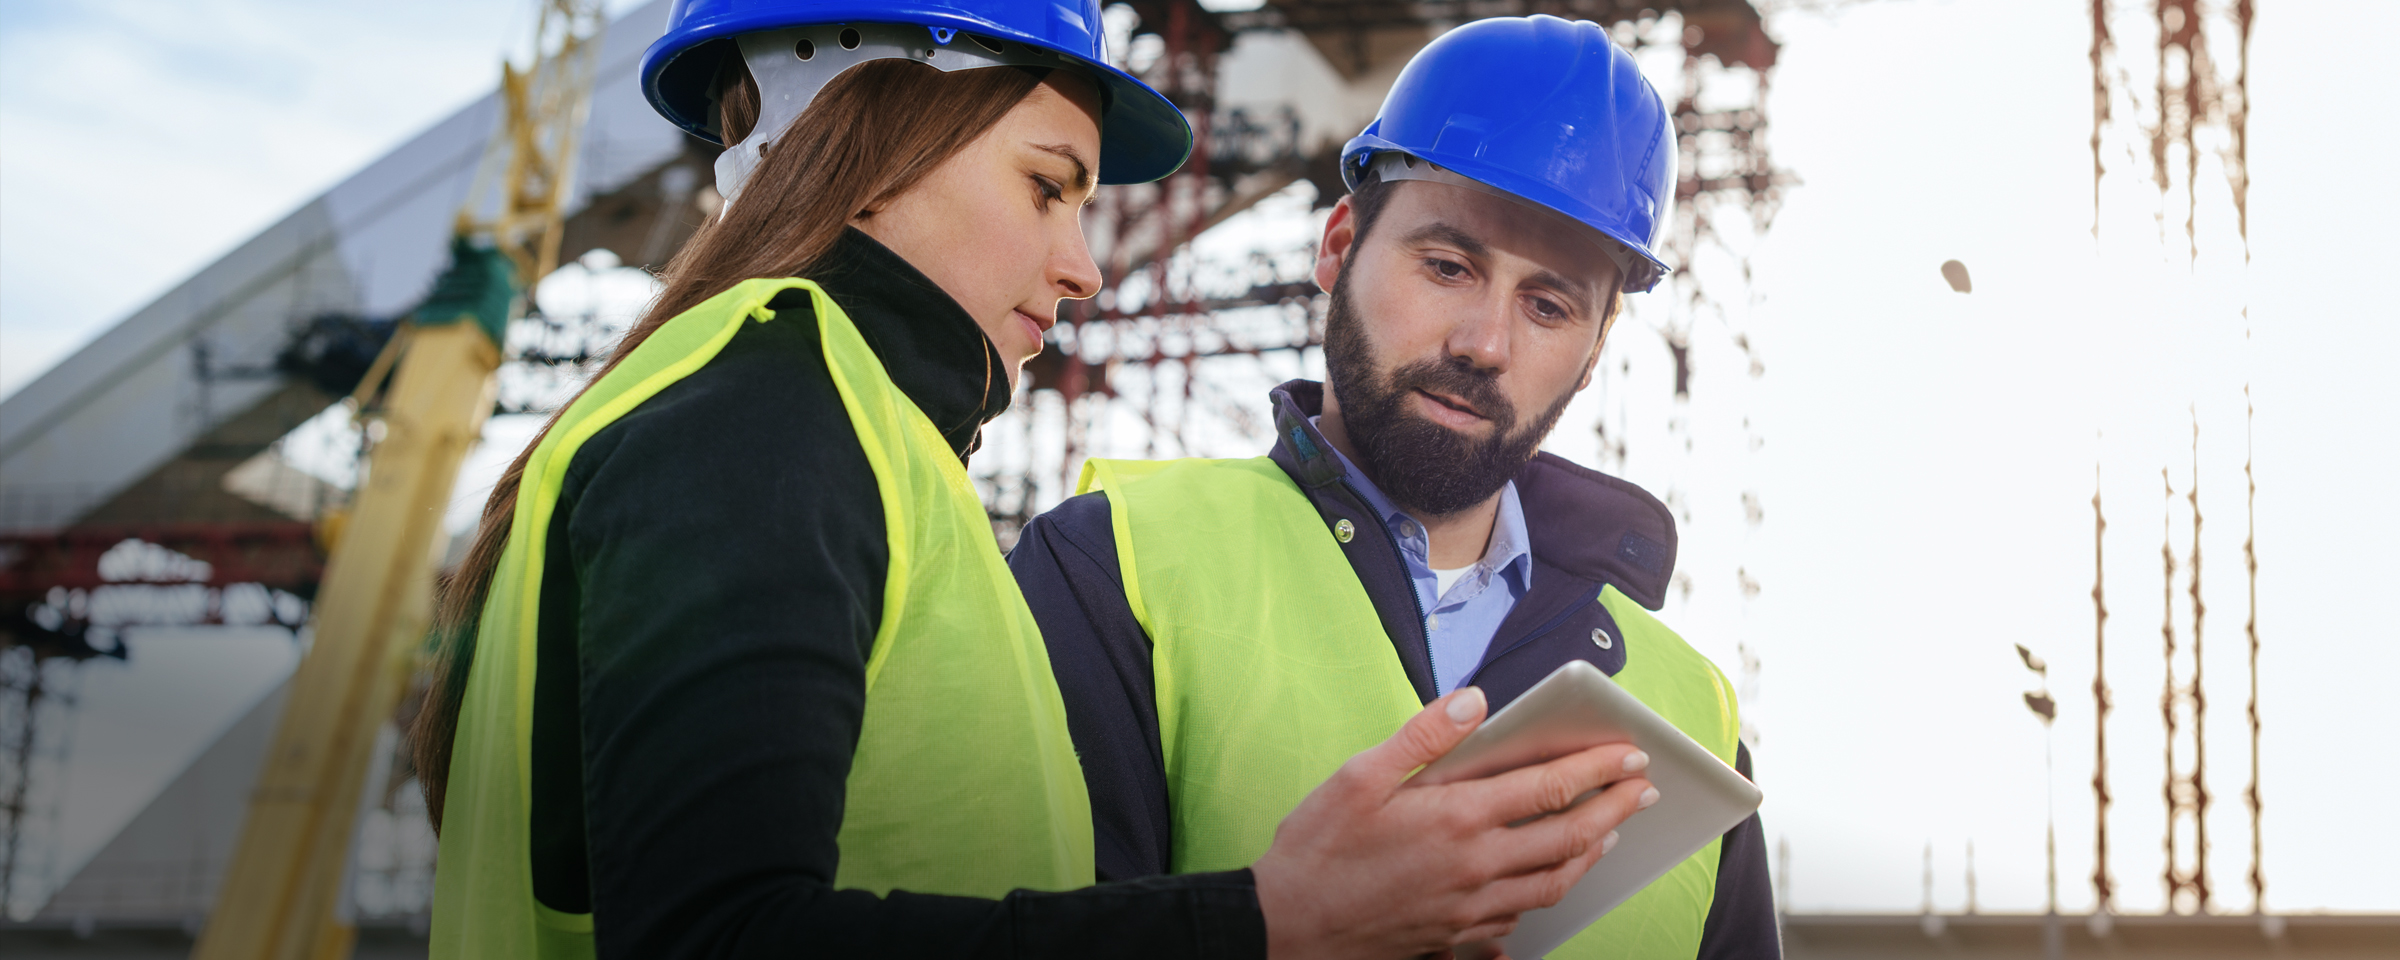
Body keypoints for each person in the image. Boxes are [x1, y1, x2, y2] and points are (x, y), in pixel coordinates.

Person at [410, 2, 1663, 957]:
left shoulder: (831, 426)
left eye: (1550, 301)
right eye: (1049, 184)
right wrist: (1271, 920)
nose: (1084, 265)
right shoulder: (770, 411)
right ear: (880, 141)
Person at [1011, 15, 1781, 959]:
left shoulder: (1690, 720)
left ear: (1593, 356)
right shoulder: (1115, 564)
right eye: (1448, 266)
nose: (1485, 344)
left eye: (1549, 306)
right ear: (1338, 248)